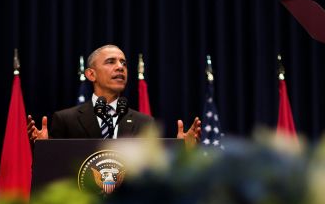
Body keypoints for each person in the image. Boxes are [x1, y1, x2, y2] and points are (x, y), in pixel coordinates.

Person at [27, 44, 201, 143]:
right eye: (111, 62)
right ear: (90, 74)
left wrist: (182, 151)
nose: (120, 67)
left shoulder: (144, 122)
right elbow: (53, 173)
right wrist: (43, 149)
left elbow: (155, 177)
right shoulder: (65, 119)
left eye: (123, 63)